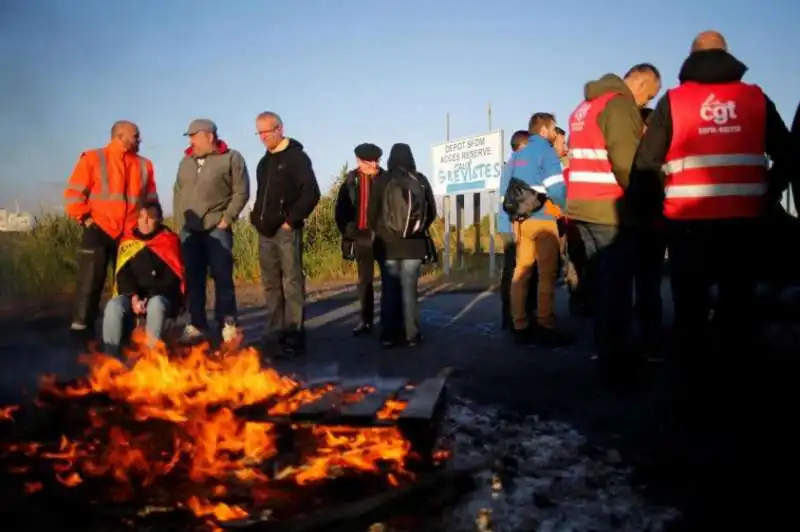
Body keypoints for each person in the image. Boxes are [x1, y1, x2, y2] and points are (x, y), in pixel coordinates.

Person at [631, 31, 793, 360]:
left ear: (691, 58)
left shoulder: (673, 101)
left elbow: (646, 164)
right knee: (739, 308)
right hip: (745, 224)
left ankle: (691, 389)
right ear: (727, 55)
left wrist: (658, 209)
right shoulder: (755, 98)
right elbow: (789, 154)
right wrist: (767, 192)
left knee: (690, 312)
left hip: (686, 226)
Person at [566, 63, 661, 378]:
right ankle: (616, 361)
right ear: (642, 82)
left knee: (601, 284)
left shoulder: (585, 106)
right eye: (649, 96)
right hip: (608, 208)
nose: (646, 103)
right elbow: (626, 164)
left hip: (581, 206)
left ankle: (603, 350)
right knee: (617, 288)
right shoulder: (618, 105)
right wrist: (643, 202)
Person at [64, 120, 159, 339]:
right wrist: (86, 220)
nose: (139, 140)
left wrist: (152, 219)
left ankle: (126, 332)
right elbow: (73, 195)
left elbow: (151, 198)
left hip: (129, 233)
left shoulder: (145, 165)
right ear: (120, 136)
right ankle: (81, 331)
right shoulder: (93, 158)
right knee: (90, 281)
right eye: (135, 136)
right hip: (98, 229)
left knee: (128, 284)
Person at [250, 111, 321, 357]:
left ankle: (294, 334)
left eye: (266, 131)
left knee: (291, 282)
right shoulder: (263, 162)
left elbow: (311, 193)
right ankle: (275, 332)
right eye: (259, 132)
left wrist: (291, 221)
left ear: (279, 128)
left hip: (286, 231)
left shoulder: (296, 158)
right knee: (270, 284)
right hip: (264, 231)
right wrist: (256, 218)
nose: (263, 137)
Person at [173, 119, 250, 344]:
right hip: (190, 230)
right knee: (194, 279)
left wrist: (227, 219)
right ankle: (196, 323)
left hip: (217, 227)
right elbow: (178, 193)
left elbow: (241, 191)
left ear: (209, 136)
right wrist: (180, 224)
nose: (191, 141)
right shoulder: (185, 161)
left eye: (193, 135)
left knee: (222, 277)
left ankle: (227, 323)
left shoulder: (231, 158)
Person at [507, 113, 571, 346]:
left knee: (521, 271)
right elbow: (556, 189)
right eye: (554, 128)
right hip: (543, 220)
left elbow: (507, 189)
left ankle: (519, 323)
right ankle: (545, 323)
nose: (555, 133)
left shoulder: (518, 155)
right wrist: (567, 207)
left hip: (523, 221)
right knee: (546, 274)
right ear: (545, 130)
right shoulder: (546, 152)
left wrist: (512, 222)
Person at [369, 143, 437, 348]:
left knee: (389, 289)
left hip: (389, 245)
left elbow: (371, 214)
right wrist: (416, 230)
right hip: (414, 245)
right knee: (410, 289)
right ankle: (412, 335)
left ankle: (389, 335)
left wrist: (383, 232)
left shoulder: (382, 180)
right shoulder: (421, 180)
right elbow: (431, 211)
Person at [102, 201, 185, 356]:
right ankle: (111, 358)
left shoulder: (169, 241)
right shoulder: (128, 243)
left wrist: (148, 298)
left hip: (161, 296)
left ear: (159, 219)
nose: (145, 221)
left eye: (150, 217)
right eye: (141, 216)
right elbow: (123, 275)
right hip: (133, 297)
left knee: (156, 304)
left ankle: (152, 357)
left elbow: (172, 280)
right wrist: (134, 298)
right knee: (113, 306)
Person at [334, 143, 384, 336]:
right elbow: (341, 210)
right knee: (365, 281)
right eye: (369, 161)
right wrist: (350, 231)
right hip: (361, 236)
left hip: (383, 237)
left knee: (389, 279)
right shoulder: (351, 181)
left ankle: (390, 321)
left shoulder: (386, 178)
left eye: (377, 160)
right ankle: (366, 321)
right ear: (359, 161)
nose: (374, 164)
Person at [630, 106, 667, 356]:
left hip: (649, 223)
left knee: (646, 280)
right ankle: (650, 334)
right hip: (655, 222)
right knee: (648, 280)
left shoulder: (639, 153)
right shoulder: (662, 152)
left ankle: (648, 334)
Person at [499, 130, 535, 330]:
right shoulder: (520, 164)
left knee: (510, 271)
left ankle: (509, 317)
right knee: (518, 272)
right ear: (522, 146)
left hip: (506, 223)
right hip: (514, 224)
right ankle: (518, 317)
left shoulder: (510, 164)